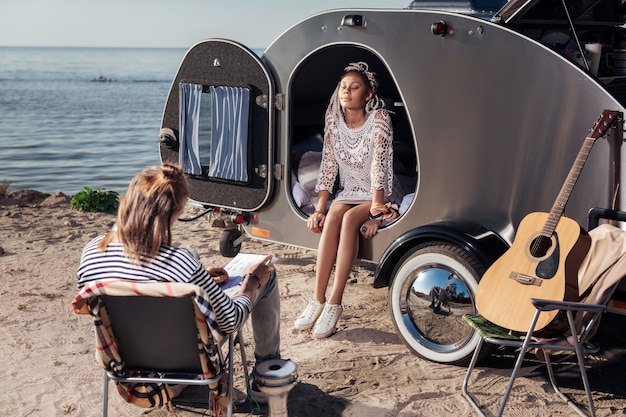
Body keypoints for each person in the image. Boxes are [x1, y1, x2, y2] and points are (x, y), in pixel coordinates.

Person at [76, 163, 280, 403]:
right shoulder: (180, 262)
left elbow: (126, 287)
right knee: (266, 275)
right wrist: (251, 282)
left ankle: (172, 385)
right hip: (188, 360)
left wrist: (198, 277)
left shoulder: (92, 251)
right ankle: (266, 379)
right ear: (173, 212)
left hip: (125, 361)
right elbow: (230, 321)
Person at [294, 61, 398, 339]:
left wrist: (377, 210)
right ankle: (317, 299)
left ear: (367, 94)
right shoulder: (333, 121)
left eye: (354, 87)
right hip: (350, 190)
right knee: (333, 217)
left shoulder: (379, 119)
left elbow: (379, 165)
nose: (346, 92)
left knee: (351, 218)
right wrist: (319, 209)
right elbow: (328, 165)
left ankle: (334, 302)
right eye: (343, 87)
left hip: (380, 191)